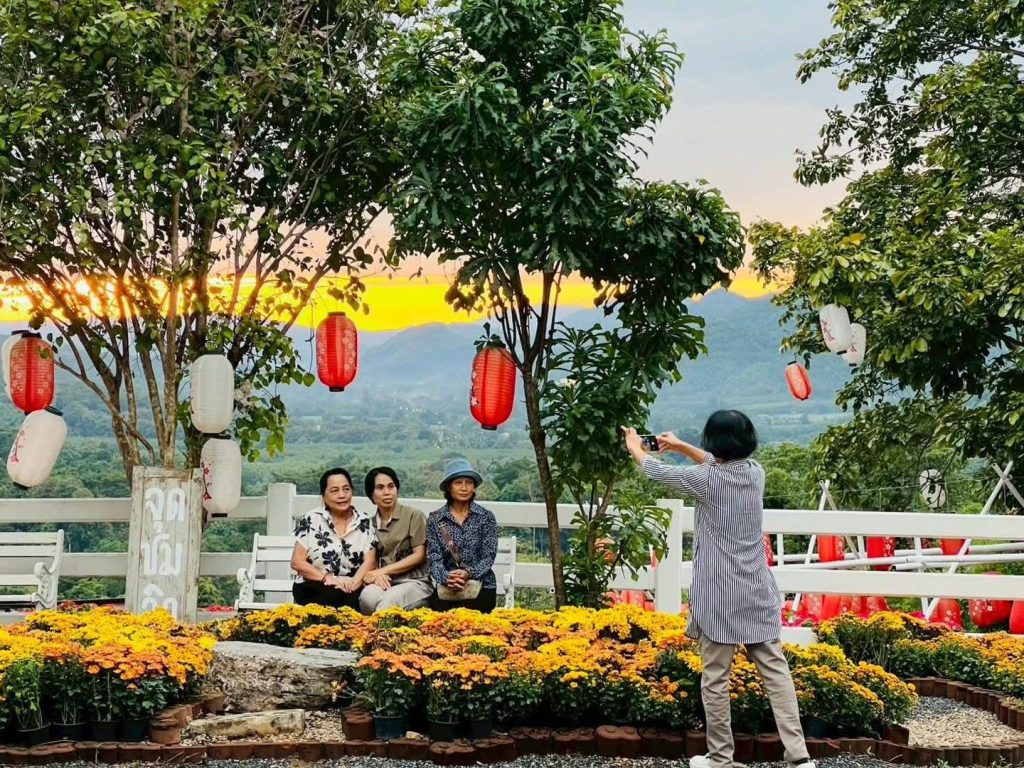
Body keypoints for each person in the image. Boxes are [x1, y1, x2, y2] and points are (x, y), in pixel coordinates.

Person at [622, 413, 816, 768]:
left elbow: (659, 472)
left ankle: (721, 759)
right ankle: (800, 758)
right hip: (757, 589)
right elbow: (716, 462)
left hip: (718, 595)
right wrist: (680, 446)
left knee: (715, 679)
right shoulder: (755, 473)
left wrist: (636, 447)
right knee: (776, 673)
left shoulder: (708, 480)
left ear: (713, 442)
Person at [290, 467, 377, 610]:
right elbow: (297, 562)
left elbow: (370, 561)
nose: (342, 495)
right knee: (333, 596)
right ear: (323, 495)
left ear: (352, 492)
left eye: (346, 489)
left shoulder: (364, 522)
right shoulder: (312, 519)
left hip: (351, 586)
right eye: (335, 491)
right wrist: (327, 579)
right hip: (316, 583)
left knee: (354, 599)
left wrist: (353, 584)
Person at [426, 458, 499, 613]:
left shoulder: (486, 517)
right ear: (449, 487)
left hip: (481, 585)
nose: (464, 487)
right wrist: (447, 577)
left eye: (469, 483)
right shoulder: (436, 519)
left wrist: (468, 573)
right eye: (458, 483)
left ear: (474, 487)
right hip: (447, 587)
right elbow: (434, 558)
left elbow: (488, 556)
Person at [358, 467, 433, 613]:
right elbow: (371, 560)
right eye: (380, 488)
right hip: (386, 580)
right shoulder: (369, 524)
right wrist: (377, 575)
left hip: (415, 582)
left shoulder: (414, 516)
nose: (387, 492)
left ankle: (383, 630)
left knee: (387, 602)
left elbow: (419, 556)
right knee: (367, 598)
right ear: (371, 495)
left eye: (391, 486)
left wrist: (380, 571)